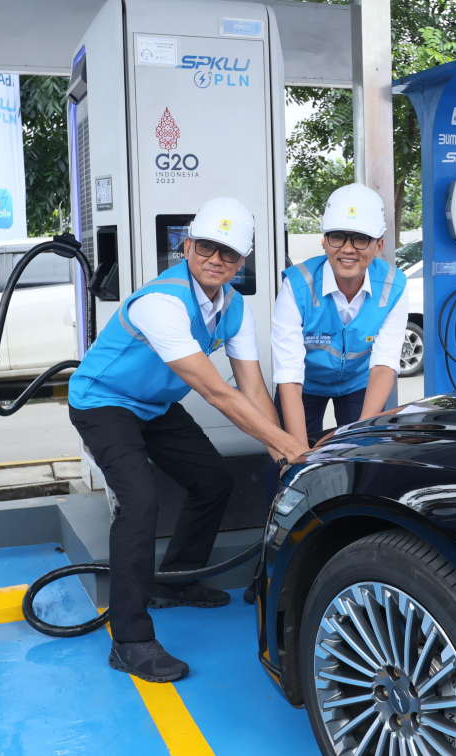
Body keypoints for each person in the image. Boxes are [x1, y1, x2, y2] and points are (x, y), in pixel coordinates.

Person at [67, 197, 308, 683]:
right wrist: (290, 449)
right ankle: (129, 641)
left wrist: (285, 455)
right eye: (206, 247)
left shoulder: (235, 307)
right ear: (187, 246)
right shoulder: (163, 302)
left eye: (229, 252)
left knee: (214, 480)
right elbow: (217, 392)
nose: (216, 259)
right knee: (139, 501)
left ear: (241, 262)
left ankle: (176, 581)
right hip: (102, 402)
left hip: (153, 405)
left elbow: (252, 389)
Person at [245, 184, 407, 605]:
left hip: (361, 382)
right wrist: (297, 453)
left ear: (379, 245)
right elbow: (289, 374)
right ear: (323, 240)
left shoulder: (394, 285)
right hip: (305, 384)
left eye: (361, 239)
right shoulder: (297, 284)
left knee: (370, 465)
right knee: (283, 469)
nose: (347, 249)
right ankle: (270, 570)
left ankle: (360, 561)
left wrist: (361, 437)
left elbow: (385, 364)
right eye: (337, 236)